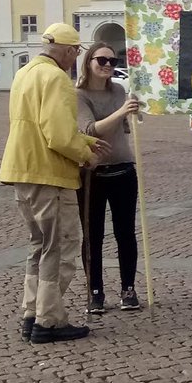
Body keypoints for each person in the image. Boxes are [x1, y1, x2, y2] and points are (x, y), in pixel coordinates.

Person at [0, 23, 109, 343]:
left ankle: (31, 312)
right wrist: (84, 154)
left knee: (39, 246)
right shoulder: (57, 79)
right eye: (75, 52)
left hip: (22, 168)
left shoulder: (25, 73)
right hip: (48, 173)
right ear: (68, 49)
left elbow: (39, 125)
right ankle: (49, 320)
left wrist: (84, 142)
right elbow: (58, 135)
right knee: (60, 246)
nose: (75, 58)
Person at [75, 43, 142, 314]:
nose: (108, 65)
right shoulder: (78, 94)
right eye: (102, 59)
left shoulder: (119, 90)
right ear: (88, 61)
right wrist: (122, 112)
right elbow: (91, 130)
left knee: (125, 233)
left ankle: (128, 288)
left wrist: (134, 112)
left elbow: (123, 127)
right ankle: (95, 290)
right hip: (93, 173)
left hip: (124, 168)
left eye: (113, 61)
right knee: (93, 235)